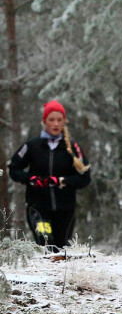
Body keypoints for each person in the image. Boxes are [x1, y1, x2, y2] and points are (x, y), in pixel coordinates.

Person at [8, 100, 92, 252]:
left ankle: (61, 276)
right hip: (38, 207)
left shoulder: (73, 148)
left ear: (64, 122)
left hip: (65, 209)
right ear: (44, 121)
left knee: (61, 250)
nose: (55, 124)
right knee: (46, 245)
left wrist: (63, 181)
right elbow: (14, 169)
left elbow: (85, 178)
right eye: (51, 120)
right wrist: (31, 179)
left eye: (59, 120)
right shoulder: (32, 146)